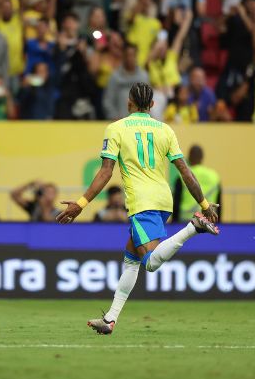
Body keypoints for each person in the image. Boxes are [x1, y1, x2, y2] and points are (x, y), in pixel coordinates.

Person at [56, 82, 219, 335]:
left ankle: (193, 228)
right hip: (163, 202)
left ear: (129, 102)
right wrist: (205, 204)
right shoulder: (165, 130)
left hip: (142, 203)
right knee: (131, 261)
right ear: (152, 105)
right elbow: (184, 171)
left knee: (150, 263)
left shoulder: (116, 128)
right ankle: (110, 319)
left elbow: (106, 172)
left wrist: (81, 203)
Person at [172, 145, 221, 223]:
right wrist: (219, 222)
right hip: (209, 219)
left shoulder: (183, 176)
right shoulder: (214, 176)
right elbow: (219, 204)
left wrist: (174, 223)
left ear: (189, 157)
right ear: (202, 157)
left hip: (186, 221)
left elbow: (176, 203)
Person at [102, 43, 149, 120]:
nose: (130, 58)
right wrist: (114, 116)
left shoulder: (143, 76)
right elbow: (108, 101)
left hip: (139, 122)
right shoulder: (115, 76)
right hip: (118, 121)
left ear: (136, 56)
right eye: (127, 55)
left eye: (132, 55)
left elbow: (148, 101)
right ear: (123, 56)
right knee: (124, 94)